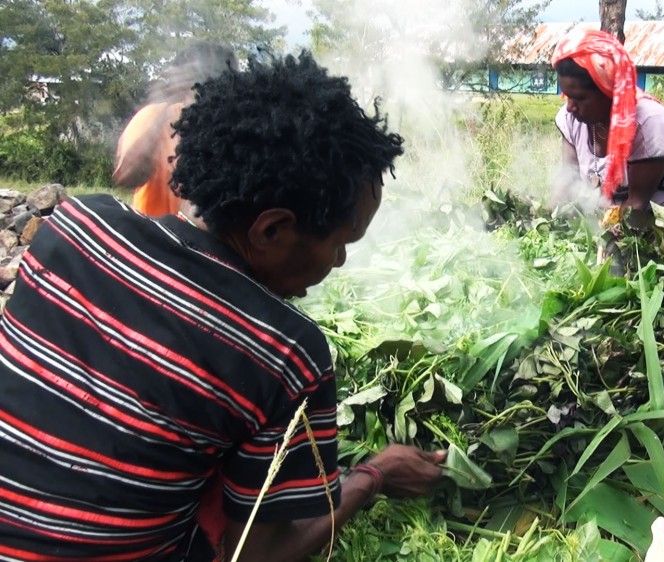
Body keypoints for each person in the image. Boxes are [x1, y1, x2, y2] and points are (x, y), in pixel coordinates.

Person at [0, 52, 444, 561]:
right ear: (272, 229)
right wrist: (373, 475)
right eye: (343, 242)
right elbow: (256, 553)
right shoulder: (287, 352)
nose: (341, 262)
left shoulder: (76, 225)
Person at [550, 29, 664, 212]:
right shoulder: (571, 118)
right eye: (566, 95)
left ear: (608, 91)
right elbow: (568, 180)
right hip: (610, 212)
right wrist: (549, 216)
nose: (570, 106)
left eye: (579, 98)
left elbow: (636, 205)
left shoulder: (648, 123)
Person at [113, 43, 234, 217]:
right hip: (154, 237)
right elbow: (126, 176)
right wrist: (164, 111)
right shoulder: (154, 115)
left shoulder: (233, 126)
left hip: (207, 241)